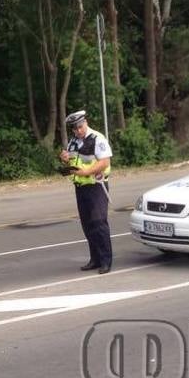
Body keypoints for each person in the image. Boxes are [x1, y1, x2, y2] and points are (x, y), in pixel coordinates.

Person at [60, 110, 113, 274]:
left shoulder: (97, 138)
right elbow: (73, 158)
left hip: (96, 186)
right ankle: (95, 259)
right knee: (88, 225)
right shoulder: (74, 141)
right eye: (75, 129)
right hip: (81, 188)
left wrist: (87, 171)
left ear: (86, 123)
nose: (78, 131)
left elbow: (105, 162)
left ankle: (106, 261)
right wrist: (64, 157)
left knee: (99, 222)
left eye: (80, 127)